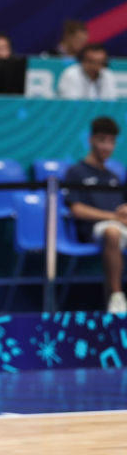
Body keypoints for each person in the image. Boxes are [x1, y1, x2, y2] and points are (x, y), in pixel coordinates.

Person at [64, 116, 127, 315]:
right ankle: (117, 297)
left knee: (115, 230)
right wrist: (113, 217)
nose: (107, 147)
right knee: (112, 232)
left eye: (111, 142)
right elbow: (76, 209)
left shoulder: (114, 177)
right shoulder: (76, 172)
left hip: (120, 226)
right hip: (93, 229)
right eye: (102, 140)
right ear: (91, 140)